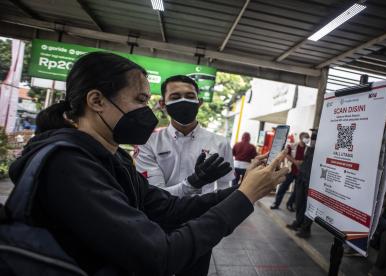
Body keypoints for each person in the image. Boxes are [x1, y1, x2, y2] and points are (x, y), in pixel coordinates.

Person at [6, 52, 289, 276]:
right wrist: (245, 196)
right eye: (141, 99)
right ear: (96, 101)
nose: (148, 111)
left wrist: (246, 188)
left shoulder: (112, 156)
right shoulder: (68, 164)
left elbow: (166, 207)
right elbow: (159, 256)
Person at [135, 75, 235, 196]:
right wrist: (194, 183)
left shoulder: (220, 143)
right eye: (175, 97)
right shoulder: (148, 143)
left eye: (190, 96)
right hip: (161, 214)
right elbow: (154, 195)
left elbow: (224, 188)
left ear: (199, 102)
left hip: (205, 213)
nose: (183, 101)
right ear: (162, 104)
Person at [286, 130, 317, 238]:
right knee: (299, 202)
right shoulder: (308, 148)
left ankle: (306, 229)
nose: (311, 140)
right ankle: (298, 222)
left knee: (309, 206)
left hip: (311, 180)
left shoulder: (320, 149)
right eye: (311, 138)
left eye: (314, 138)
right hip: (301, 177)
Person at [270, 132, 309, 211]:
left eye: (308, 137)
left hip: (301, 173)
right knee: (283, 187)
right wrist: (295, 162)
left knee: (296, 191)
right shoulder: (292, 145)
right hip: (291, 171)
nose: (307, 139)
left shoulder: (308, 149)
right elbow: (287, 155)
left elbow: (307, 159)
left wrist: (302, 162)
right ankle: (276, 203)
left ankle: (290, 204)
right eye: (306, 137)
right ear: (301, 137)